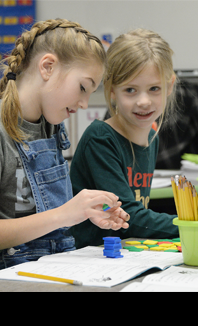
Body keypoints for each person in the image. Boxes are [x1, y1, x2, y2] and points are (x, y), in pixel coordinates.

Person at [0, 19, 130, 275]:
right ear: (47, 67)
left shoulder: (50, 126)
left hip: (56, 266)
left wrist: (86, 212)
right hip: (11, 275)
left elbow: (50, 218)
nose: (84, 104)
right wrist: (66, 214)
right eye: (82, 87)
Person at [69, 28, 180, 248]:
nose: (144, 101)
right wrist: (197, 222)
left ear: (169, 86)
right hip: (89, 256)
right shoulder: (101, 138)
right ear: (112, 90)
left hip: (127, 252)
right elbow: (131, 216)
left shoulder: (151, 137)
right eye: (130, 90)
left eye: (154, 88)